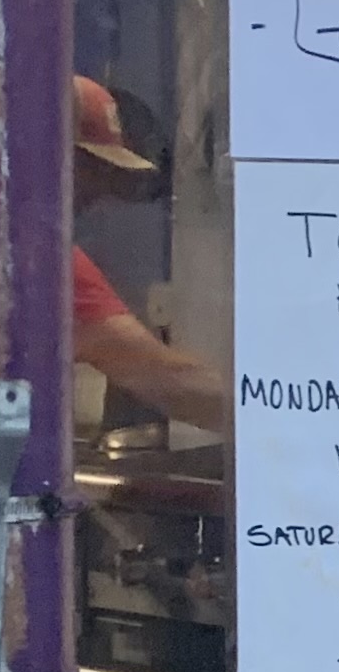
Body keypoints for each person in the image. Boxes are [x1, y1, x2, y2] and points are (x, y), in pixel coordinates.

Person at [72, 75, 228, 427]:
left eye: (107, 174)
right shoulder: (50, 268)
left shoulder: (49, 259)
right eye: (88, 167)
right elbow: (165, 378)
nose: (99, 193)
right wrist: (292, 420)